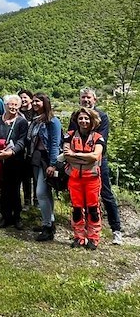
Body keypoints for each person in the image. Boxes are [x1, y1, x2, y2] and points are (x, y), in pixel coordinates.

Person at [68, 88, 122, 245]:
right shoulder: (76, 116)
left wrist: (79, 155)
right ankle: (81, 234)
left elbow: (100, 145)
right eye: (83, 97)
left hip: (97, 162)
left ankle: (116, 230)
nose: (86, 100)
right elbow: (69, 139)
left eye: (88, 97)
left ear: (95, 99)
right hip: (76, 165)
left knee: (106, 194)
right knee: (78, 201)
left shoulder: (102, 117)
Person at [63, 107, 104, 249]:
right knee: (77, 209)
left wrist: (75, 155)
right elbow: (66, 154)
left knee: (93, 210)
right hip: (74, 178)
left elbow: (95, 156)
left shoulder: (98, 137)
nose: (83, 121)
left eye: (86, 118)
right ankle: (79, 237)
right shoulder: (69, 135)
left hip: (92, 179)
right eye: (81, 118)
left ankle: (93, 238)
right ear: (76, 120)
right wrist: (85, 158)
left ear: (92, 120)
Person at [0, 94, 28, 229]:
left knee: (15, 189)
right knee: (3, 189)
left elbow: (22, 140)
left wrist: (11, 152)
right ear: (5, 106)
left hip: (15, 160)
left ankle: (17, 217)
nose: (13, 107)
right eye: (10, 104)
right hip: (0, 160)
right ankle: (5, 216)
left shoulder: (21, 122)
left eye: (15, 105)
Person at [27, 93, 61, 241]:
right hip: (36, 158)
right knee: (45, 193)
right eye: (33, 101)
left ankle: (47, 227)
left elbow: (54, 144)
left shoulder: (52, 121)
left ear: (45, 103)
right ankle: (49, 223)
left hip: (47, 159)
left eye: (38, 101)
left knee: (40, 192)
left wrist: (53, 164)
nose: (34, 103)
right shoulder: (35, 121)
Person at [18, 89, 37, 211]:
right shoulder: (17, 113)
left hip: (35, 148)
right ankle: (27, 201)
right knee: (24, 175)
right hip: (22, 148)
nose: (23, 100)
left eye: (25, 97)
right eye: (21, 98)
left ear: (31, 98)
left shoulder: (36, 112)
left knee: (35, 175)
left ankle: (37, 200)